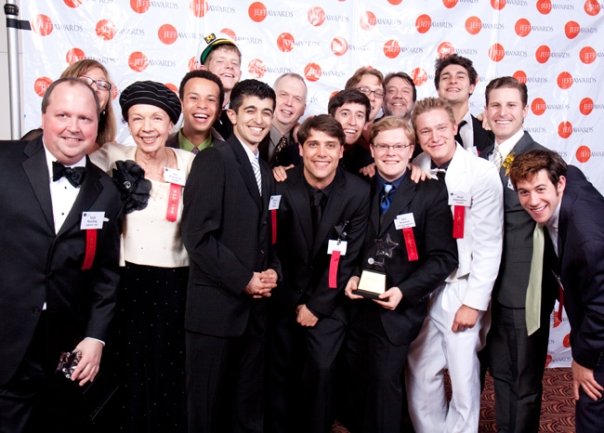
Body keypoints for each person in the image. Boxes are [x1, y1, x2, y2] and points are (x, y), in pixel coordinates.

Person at [0, 77, 122, 433]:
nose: (73, 127)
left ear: (97, 125)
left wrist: (96, 337)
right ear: (44, 117)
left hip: (64, 350)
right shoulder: (4, 162)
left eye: (84, 118)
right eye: (63, 115)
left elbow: (106, 275)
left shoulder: (107, 191)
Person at [343, 116, 458, 433]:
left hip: (397, 310)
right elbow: (342, 237)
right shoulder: (357, 185)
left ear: (411, 150)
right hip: (353, 306)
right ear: (372, 149)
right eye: (383, 146)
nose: (390, 153)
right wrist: (349, 276)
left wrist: (404, 292)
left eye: (398, 146)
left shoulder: (430, 192)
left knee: (384, 388)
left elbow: (444, 258)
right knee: (355, 385)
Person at [90, 80, 193, 433]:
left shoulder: (192, 163)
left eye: (156, 119)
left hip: (177, 281)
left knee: (169, 364)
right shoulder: (109, 157)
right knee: (128, 366)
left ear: (171, 124)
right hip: (127, 279)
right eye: (137, 119)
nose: (147, 128)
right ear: (127, 123)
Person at [182, 79, 280, 433]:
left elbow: (268, 237)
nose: (259, 119)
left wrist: (273, 272)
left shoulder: (266, 172)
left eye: (266, 112)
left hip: (254, 314)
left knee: (246, 410)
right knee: (207, 411)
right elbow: (198, 237)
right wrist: (245, 280)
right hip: (215, 312)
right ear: (232, 114)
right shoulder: (213, 160)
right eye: (250, 110)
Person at [265, 115, 370, 433]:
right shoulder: (278, 184)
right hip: (281, 296)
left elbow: (350, 258)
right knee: (277, 374)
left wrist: (316, 306)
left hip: (330, 299)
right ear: (300, 148)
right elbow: (267, 247)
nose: (321, 153)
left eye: (330, 146)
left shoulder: (358, 192)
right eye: (313, 144)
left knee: (322, 371)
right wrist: (290, 300)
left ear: (341, 151)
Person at [406, 97, 503, 433]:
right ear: (417, 137)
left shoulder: (482, 172)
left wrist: (475, 303)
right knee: (420, 369)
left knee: (462, 375)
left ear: (454, 128)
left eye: (441, 128)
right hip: (424, 286)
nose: (434, 136)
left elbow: (491, 244)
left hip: (462, 286)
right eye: (425, 131)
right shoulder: (414, 165)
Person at [509, 150, 604, 433]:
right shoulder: (570, 177)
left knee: (592, 410)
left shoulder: (587, 239)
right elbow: (573, 170)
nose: (533, 201)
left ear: (559, 184)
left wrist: (584, 361)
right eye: (523, 192)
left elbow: (601, 308)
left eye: (540, 189)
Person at [483, 76, 556, 433]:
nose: (502, 112)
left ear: (525, 111)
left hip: (523, 289)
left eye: (511, 105)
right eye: (495, 104)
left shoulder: (539, 159)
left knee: (523, 382)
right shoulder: (483, 159)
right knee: (502, 377)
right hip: (488, 290)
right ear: (485, 110)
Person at [21, 59, 117, 147]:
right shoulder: (37, 141)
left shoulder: (110, 151)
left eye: (102, 85)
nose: (95, 89)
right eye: (85, 82)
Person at [434, 54, 493, 157]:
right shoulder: (421, 133)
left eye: (460, 77)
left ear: (471, 87)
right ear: (438, 89)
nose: (453, 81)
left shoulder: (489, 131)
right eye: (446, 77)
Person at [167, 69, 225, 153]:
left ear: (219, 110)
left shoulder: (231, 155)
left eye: (211, 99)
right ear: (181, 104)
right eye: (193, 98)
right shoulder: (160, 147)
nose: (202, 105)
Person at [200, 32, 242, 140]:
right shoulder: (187, 109)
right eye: (220, 61)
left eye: (234, 63)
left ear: (240, 74)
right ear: (203, 70)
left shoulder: (242, 113)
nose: (229, 66)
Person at [259, 72, 306, 168]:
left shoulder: (304, 144)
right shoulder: (251, 131)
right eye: (283, 94)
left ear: (303, 110)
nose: (289, 103)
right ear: (271, 99)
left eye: (297, 99)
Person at [328, 89, 374, 179]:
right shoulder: (308, 152)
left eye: (359, 116)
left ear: (365, 124)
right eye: (345, 114)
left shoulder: (371, 159)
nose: (352, 122)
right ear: (331, 118)